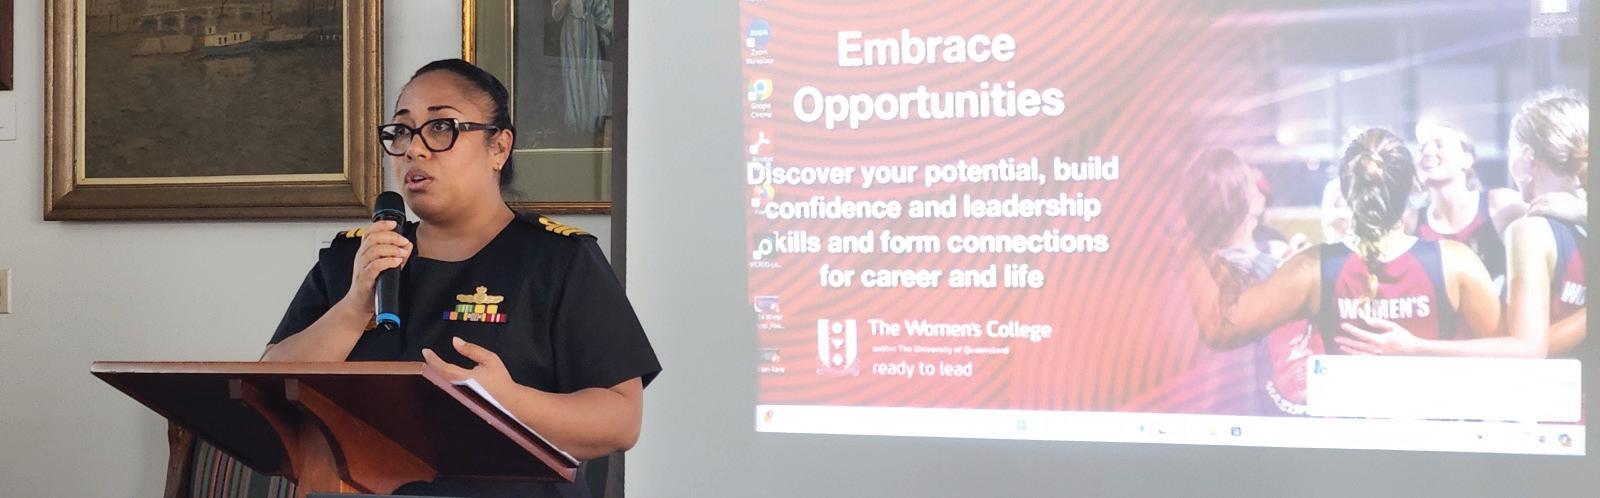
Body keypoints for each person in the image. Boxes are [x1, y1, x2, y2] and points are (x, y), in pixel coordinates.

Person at [262, 58, 660, 497]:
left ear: (499, 147)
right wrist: (354, 308)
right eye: (402, 131)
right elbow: (269, 385)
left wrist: (505, 401)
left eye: (440, 127)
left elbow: (621, 421)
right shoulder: (355, 260)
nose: (414, 149)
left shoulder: (558, 259)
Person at [1185, 128, 1504, 359]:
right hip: (1434, 431)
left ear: (1347, 190)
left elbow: (1222, 329)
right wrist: (1423, 350)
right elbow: (1511, 349)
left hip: (1343, 432)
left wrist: (1186, 247)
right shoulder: (1455, 262)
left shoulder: (1312, 267)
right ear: (1412, 185)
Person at [1501, 90, 1588, 357]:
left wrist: (1418, 348)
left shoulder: (1530, 231)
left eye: (1510, 149)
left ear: (1528, 157)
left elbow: (1530, 349)